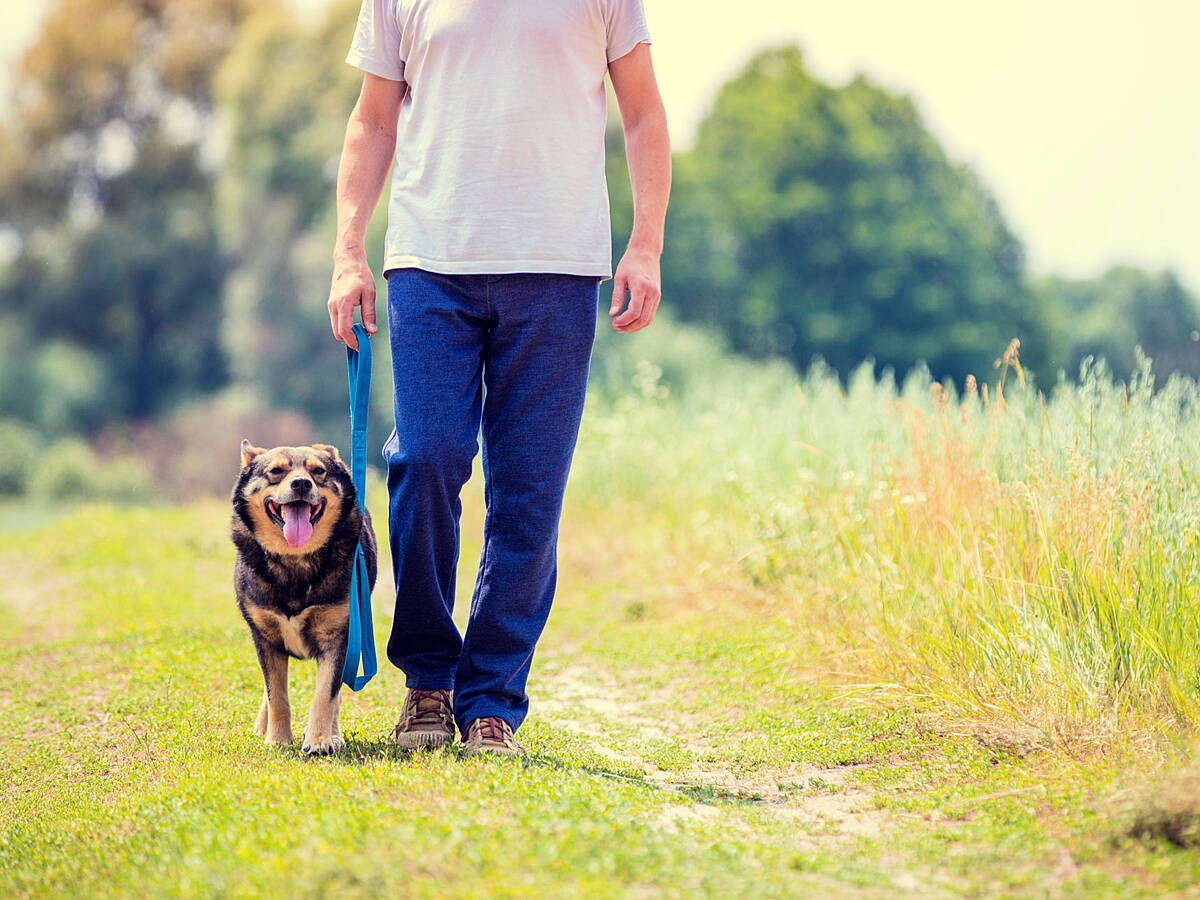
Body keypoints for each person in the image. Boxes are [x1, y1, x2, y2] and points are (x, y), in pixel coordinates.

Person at [328, 0, 670, 757]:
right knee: (426, 457)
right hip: (429, 263)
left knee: (529, 493)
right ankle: (427, 680)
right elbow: (373, 119)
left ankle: (491, 701)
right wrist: (348, 249)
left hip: (558, 269)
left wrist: (645, 245)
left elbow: (643, 113)